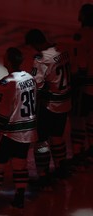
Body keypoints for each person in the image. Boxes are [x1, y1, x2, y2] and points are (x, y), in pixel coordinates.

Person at [0, 47, 38, 215]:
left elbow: (2, 114)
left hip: (9, 132)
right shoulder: (30, 78)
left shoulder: (6, 83)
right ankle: (19, 197)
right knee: (20, 164)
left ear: (9, 61)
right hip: (27, 130)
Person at [24, 29, 72, 189]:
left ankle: (43, 174)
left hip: (50, 105)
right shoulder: (62, 50)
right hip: (65, 102)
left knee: (41, 141)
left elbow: (37, 85)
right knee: (58, 136)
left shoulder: (41, 59)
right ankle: (61, 167)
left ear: (35, 43)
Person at [70, 3, 93, 169]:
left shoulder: (81, 35)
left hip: (85, 85)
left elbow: (80, 63)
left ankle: (79, 153)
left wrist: (76, 80)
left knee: (78, 119)